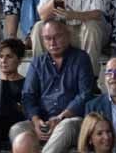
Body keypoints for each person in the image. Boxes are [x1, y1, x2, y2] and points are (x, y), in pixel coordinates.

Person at [21, 19, 95, 153]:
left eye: (57, 37)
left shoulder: (81, 58)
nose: (52, 43)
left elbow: (85, 94)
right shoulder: (38, 62)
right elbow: (28, 96)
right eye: (47, 38)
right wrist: (36, 121)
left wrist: (61, 117)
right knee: (18, 129)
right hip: (43, 120)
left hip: (72, 119)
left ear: (68, 35)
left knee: (65, 126)